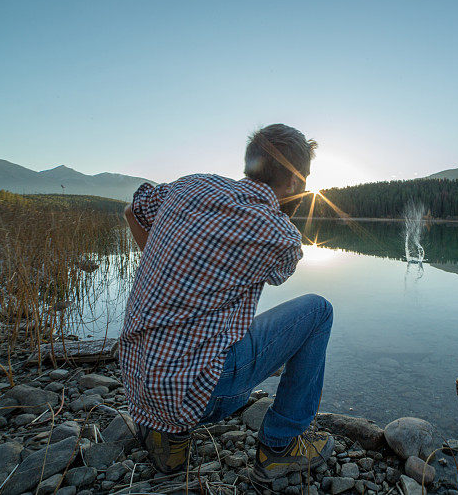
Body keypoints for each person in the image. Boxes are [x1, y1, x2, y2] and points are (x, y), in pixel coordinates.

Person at [120, 124, 335, 482]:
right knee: (317, 311)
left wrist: (171, 277)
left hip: (136, 382)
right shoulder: (280, 235)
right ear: (297, 182)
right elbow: (280, 273)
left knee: (214, 323)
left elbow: (132, 211)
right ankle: (279, 448)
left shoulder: (191, 185)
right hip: (203, 395)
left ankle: (169, 441)